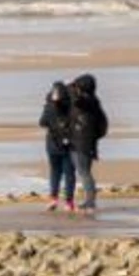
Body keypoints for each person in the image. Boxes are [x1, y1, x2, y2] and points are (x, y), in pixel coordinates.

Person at [64, 72, 108, 214]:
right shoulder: (93, 101)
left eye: (77, 86)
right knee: (83, 171)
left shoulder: (87, 101)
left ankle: (90, 202)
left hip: (83, 142)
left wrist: (70, 87)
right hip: (82, 140)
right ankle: (89, 200)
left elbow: (77, 101)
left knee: (84, 172)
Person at [38, 80, 73, 210]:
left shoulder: (48, 106)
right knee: (69, 173)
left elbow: (42, 122)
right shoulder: (71, 105)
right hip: (68, 143)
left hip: (52, 143)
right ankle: (69, 202)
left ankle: (53, 199)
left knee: (55, 172)